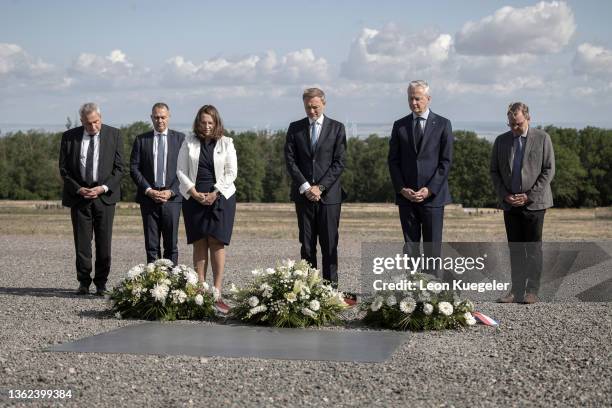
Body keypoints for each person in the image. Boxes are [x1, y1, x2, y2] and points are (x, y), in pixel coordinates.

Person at [284, 88, 348, 292]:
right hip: (303, 197)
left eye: (315, 107)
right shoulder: (295, 128)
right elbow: (290, 160)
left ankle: (331, 292)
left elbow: (339, 162)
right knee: (307, 245)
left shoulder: (337, 128)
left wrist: (320, 187)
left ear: (324, 104)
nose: (312, 111)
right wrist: (306, 187)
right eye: (308, 107)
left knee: (329, 246)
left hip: (329, 197)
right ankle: (309, 291)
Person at [388, 80, 453, 278]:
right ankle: (414, 285)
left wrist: (429, 189)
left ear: (428, 99)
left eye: (418, 98)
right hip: (407, 198)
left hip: (433, 197)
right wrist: (402, 189)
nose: (414, 102)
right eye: (410, 98)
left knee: (433, 246)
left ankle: (432, 287)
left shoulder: (443, 124)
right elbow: (393, 161)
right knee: (411, 246)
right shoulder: (399, 126)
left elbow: (446, 161)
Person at [491, 102, 555, 304]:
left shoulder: (543, 138)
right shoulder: (501, 141)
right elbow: (494, 172)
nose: (514, 128)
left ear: (528, 118)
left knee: (533, 249)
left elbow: (548, 170)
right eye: (510, 124)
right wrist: (505, 195)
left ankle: (532, 291)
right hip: (510, 205)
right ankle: (516, 291)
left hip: (534, 204)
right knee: (516, 249)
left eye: (517, 124)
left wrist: (529, 195)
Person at [59, 102, 124, 295]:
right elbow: (64, 169)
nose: (93, 127)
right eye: (88, 124)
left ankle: (102, 283)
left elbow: (120, 169)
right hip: (79, 198)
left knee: (104, 243)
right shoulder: (69, 137)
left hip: (104, 198)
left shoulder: (114, 135)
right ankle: (84, 282)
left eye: (96, 122)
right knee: (82, 244)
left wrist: (102, 188)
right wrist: (78, 189)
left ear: (100, 118)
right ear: (82, 121)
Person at [176, 105, 236, 313]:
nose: (207, 126)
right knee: (199, 241)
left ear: (217, 123)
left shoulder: (227, 143)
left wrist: (215, 192)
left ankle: (217, 290)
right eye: (203, 122)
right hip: (194, 197)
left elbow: (231, 172)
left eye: (211, 123)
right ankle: (201, 289)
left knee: (217, 242)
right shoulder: (188, 141)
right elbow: (181, 171)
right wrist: (193, 193)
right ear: (198, 123)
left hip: (220, 197)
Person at [130, 103, 185, 265]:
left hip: (172, 199)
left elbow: (185, 169)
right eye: (156, 117)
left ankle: (171, 282)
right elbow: (134, 168)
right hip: (149, 199)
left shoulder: (181, 139)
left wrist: (172, 191)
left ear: (169, 117)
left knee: (171, 245)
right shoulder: (141, 140)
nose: (159, 120)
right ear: (151, 118)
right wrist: (148, 190)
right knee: (151, 245)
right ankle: (153, 282)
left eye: (163, 117)